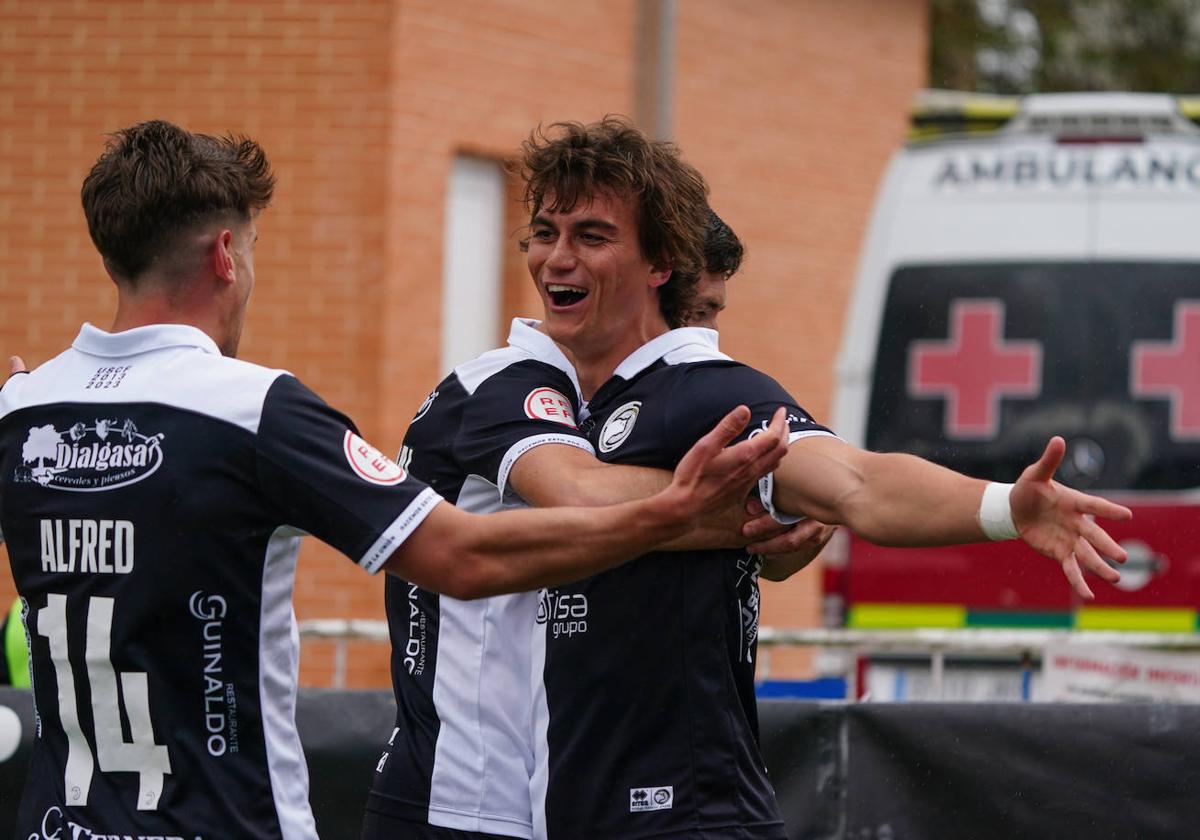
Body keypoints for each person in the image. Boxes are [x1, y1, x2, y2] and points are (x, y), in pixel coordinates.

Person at [0, 120, 789, 840]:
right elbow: (464, 559)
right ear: (224, 256)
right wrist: (679, 513)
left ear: (111, 253)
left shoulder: (23, 411)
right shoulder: (255, 410)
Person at [516, 117, 1131, 839]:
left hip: (684, 811)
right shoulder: (536, 398)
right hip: (571, 804)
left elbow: (858, 484)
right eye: (544, 233)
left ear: (658, 267)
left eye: (590, 237)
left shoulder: (702, 391)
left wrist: (1002, 507)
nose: (558, 258)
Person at [361, 215, 828, 840]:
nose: (699, 343)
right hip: (458, 790)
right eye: (691, 314)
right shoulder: (510, 385)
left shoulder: (609, 408)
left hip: (536, 792)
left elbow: (707, 548)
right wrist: (761, 505)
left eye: (713, 313)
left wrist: (783, 531)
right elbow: (586, 502)